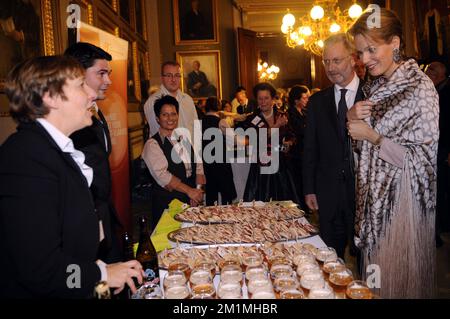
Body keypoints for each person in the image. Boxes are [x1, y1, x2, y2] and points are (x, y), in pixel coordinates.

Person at [0, 55, 143, 298]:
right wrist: (101, 275)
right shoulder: (26, 160)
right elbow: (40, 271)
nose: (91, 94)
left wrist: (100, 269)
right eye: (79, 85)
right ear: (50, 96)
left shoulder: (52, 151)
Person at [347, 8, 439, 298]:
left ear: (395, 43)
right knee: (376, 286)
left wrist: (373, 136)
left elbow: (424, 164)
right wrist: (352, 118)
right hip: (373, 206)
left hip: (401, 210)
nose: (364, 60)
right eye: (360, 52)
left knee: (395, 288)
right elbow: (361, 149)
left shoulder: (420, 88)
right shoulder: (376, 87)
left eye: (371, 49)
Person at [302, 33, 364, 259]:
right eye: (326, 61)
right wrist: (309, 187)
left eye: (336, 60)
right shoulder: (317, 102)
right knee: (330, 259)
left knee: (367, 259)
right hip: (328, 194)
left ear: (353, 59)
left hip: (363, 195)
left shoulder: (372, 94)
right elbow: (310, 148)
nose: (330, 67)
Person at [64, 42, 121, 264]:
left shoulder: (96, 113)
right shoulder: (70, 123)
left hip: (103, 214)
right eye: (101, 73)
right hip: (83, 224)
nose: (108, 81)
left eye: (109, 73)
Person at [142, 96, 205, 229]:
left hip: (190, 200)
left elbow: (198, 165)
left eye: (173, 114)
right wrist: (190, 191)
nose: (170, 118)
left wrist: (197, 192)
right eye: (165, 114)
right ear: (158, 118)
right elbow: (163, 176)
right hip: (168, 203)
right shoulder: (152, 144)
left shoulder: (184, 137)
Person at [243, 83, 299, 203]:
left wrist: (289, 142)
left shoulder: (282, 115)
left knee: (284, 204)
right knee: (261, 204)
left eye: (266, 98)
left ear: (273, 99)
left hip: (282, 166)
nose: (263, 102)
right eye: (260, 98)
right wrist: (276, 125)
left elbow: (292, 135)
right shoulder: (252, 119)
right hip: (261, 168)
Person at [426, 61, 450, 246]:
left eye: (433, 70)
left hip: (440, 150)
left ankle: (436, 233)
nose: (428, 72)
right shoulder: (432, 90)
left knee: (437, 192)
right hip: (434, 150)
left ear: (442, 74)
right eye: (428, 70)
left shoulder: (445, 93)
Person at [143, 61, 198, 142]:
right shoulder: (152, 101)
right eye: (169, 75)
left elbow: (195, 127)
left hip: (190, 151)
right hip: (165, 152)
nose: (173, 79)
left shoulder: (188, 99)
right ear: (162, 78)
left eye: (177, 75)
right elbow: (157, 133)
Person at [202, 97, 237, 205]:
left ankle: (210, 219)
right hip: (221, 162)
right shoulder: (221, 122)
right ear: (218, 107)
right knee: (227, 195)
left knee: (211, 196)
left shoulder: (199, 122)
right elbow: (234, 140)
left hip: (206, 163)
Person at [287, 85, 310, 209]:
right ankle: (300, 206)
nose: (307, 100)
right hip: (296, 153)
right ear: (296, 100)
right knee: (298, 180)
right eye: (304, 98)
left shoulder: (305, 112)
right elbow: (298, 131)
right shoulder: (290, 114)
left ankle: (306, 205)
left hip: (306, 151)